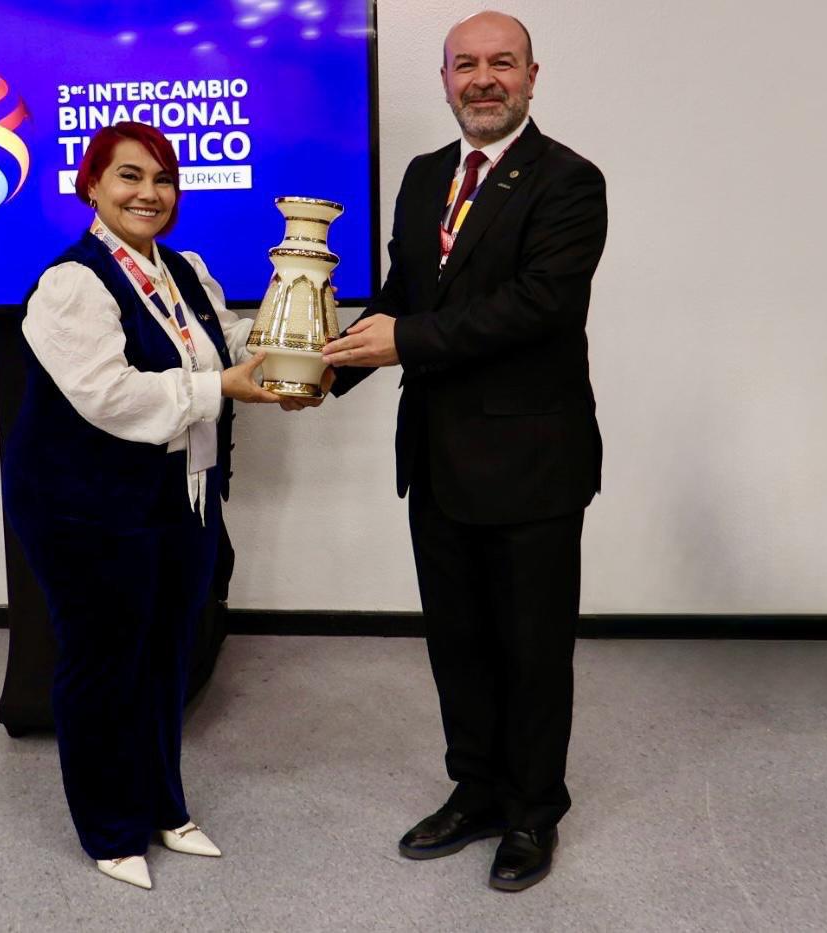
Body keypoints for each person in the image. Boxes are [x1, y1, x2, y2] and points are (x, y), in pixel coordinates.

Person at [316, 11, 608, 891]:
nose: (484, 79)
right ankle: (476, 789)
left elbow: (538, 306)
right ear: (444, 79)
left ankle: (533, 809)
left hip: (533, 463)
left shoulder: (569, 181)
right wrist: (322, 367)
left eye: (502, 63)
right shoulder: (423, 176)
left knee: (532, 648)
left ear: (531, 76)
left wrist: (402, 340)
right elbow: (406, 292)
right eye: (466, 65)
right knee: (458, 642)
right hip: (437, 459)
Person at [1, 122, 280, 890]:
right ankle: (110, 828)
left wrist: (292, 342)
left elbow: (222, 342)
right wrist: (222, 387)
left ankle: (162, 806)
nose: (148, 193)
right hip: (81, 504)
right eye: (129, 176)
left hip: (178, 492)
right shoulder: (72, 284)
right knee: (101, 664)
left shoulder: (184, 268)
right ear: (92, 185)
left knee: (166, 657)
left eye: (162, 178)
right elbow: (110, 395)